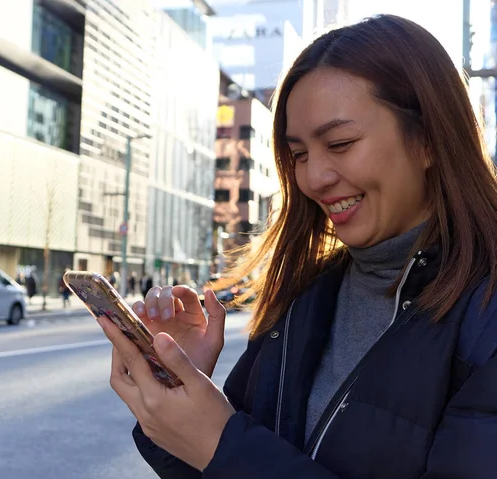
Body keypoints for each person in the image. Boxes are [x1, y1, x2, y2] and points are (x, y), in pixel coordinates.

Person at [95, 15, 497, 478]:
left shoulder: (484, 313)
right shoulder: (306, 294)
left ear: (428, 138)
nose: (313, 178)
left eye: (340, 143)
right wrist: (182, 394)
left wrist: (219, 442)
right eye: (299, 154)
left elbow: (231, 453)